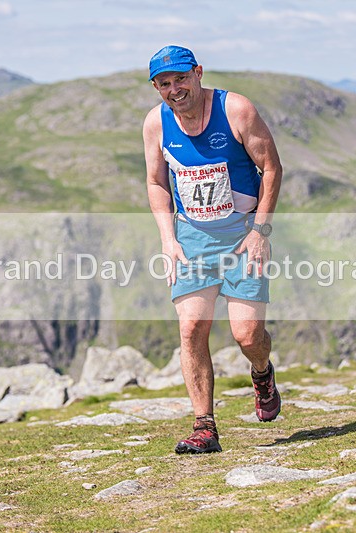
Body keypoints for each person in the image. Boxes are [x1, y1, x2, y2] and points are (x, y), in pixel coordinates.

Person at [142, 45, 283, 454]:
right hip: (192, 237)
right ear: (156, 88)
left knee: (247, 334)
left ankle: (262, 373)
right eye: (164, 84)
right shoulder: (156, 123)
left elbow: (271, 167)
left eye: (181, 78)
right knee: (191, 328)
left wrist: (261, 231)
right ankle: (205, 426)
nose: (175, 89)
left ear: (198, 73)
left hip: (243, 233)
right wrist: (168, 239)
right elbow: (156, 182)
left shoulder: (236, 109)